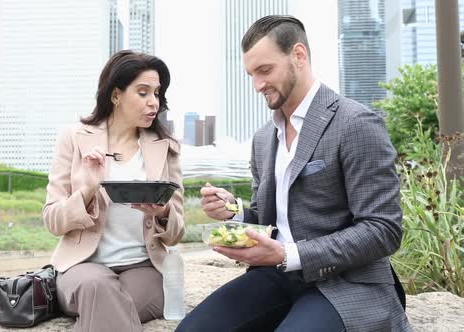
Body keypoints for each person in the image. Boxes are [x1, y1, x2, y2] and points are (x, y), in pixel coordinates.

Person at [176, 15, 412, 332]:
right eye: (251, 74)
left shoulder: (355, 123)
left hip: (346, 282)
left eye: (265, 70)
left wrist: (290, 253)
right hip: (278, 275)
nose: (257, 85)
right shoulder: (263, 139)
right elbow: (274, 216)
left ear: (298, 56)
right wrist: (233, 210)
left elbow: (383, 229)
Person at [43, 50, 185, 332]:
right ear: (116, 95)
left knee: (107, 304)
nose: (153, 102)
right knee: (98, 287)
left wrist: (164, 212)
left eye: (157, 93)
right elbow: (52, 220)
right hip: (83, 266)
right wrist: (86, 190)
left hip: (144, 268)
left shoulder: (165, 146)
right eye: (142, 92)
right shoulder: (74, 138)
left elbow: (177, 232)